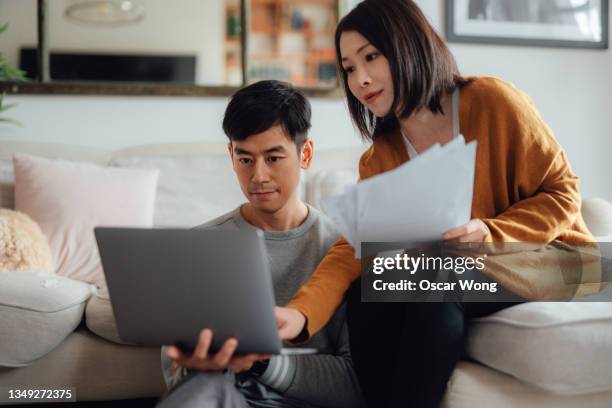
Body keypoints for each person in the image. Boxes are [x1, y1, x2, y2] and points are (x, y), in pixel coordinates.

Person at [274, 1, 594, 407]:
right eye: (349, 68)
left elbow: (563, 192)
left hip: (558, 259)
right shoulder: (380, 156)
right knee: (369, 290)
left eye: (371, 56)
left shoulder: (494, 102)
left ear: (408, 45)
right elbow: (354, 249)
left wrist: (491, 233)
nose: (361, 79)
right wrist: (300, 314)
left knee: (435, 282)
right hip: (460, 271)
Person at [157, 80, 365, 408]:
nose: (258, 176)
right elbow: (175, 376)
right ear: (231, 155)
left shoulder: (343, 249)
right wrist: (198, 367)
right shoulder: (201, 245)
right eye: (246, 160)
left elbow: (354, 383)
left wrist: (260, 363)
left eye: (273, 157)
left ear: (305, 154)